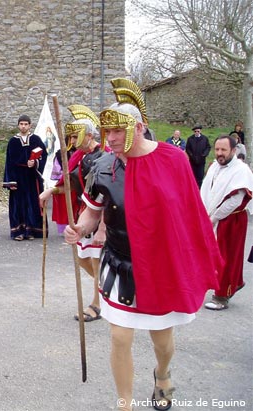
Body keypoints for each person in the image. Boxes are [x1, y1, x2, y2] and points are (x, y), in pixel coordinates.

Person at [64, 78, 222, 411]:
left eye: (117, 132)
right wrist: (79, 229)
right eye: (107, 133)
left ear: (137, 127)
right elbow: (93, 213)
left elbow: (188, 216)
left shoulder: (173, 160)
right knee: (120, 337)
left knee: (161, 341)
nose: (111, 140)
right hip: (122, 263)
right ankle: (125, 404)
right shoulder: (104, 167)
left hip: (161, 265)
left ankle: (162, 375)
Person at [39, 105, 110, 322]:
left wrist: (103, 227)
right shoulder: (79, 156)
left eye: (75, 134)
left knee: (96, 259)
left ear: (89, 135)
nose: (72, 138)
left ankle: (97, 304)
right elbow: (70, 185)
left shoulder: (104, 156)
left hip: (101, 214)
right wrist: (52, 190)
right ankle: (106, 288)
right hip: (83, 212)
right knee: (82, 257)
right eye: (70, 135)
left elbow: (109, 195)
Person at [200, 135, 253, 310]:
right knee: (212, 254)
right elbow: (207, 190)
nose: (220, 153)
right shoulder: (215, 166)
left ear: (233, 150)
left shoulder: (241, 170)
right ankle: (233, 283)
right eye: (217, 150)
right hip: (214, 216)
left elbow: (235, 200)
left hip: (232, 219)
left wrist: (213, 219)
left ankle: (222, 295)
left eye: (224, 150)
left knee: (227, 257)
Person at [3, 114, 48, 240]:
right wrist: (10, 181)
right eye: (21, 124)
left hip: (32, 177)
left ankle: (32, 231)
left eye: (25, 124)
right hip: (18, 178)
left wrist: (35, 163)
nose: (23, 126)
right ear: (18, 125)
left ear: (30, 125)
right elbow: (9, 162)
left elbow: (43, 155)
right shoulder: (13, 141)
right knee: (18, 205)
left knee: (33, 203)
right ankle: (19, 232)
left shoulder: (36, 140)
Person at [49, 134, 77, 234]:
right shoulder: (60, 153)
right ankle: (64, 229)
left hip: (77, 183)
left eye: (76, 137)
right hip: (64, 182)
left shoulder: (82, 153)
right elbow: (57, 169)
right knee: (63, 206)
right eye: (71, 138)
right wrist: (65, 175)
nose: (73, 141)